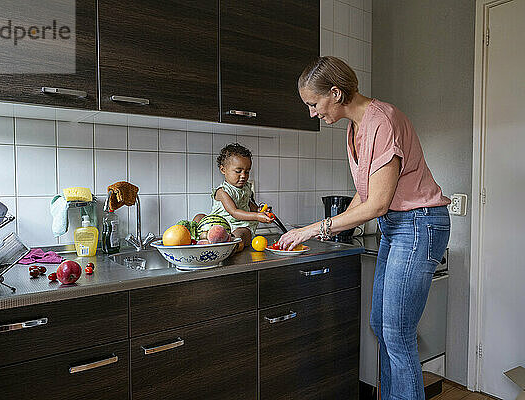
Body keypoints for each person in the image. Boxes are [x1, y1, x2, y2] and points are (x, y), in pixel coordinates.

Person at [278, 56, 451, 400]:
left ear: (336, 93)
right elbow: (365, 192)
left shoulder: (382, 121)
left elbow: (377, 205)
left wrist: (313, 229)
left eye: (314, 103)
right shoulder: (354, 127)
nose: (312, 112)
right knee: (382, 326)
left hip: (419, 225)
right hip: (397, 227)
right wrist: (331, 231)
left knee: (397, 332)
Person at [193, 143, 274, 251]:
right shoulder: (222, 192)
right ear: (223, 170)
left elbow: (248, 204)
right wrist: (257, 216)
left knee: (243, 233)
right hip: (217, 227)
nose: (243, 175)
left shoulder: (246, 188)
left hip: (239, 227)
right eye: (238, 171)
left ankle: (231, 247)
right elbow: (234, 212)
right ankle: (194, 237)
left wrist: (259, 211)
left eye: (247, 171)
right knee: (199, 217)